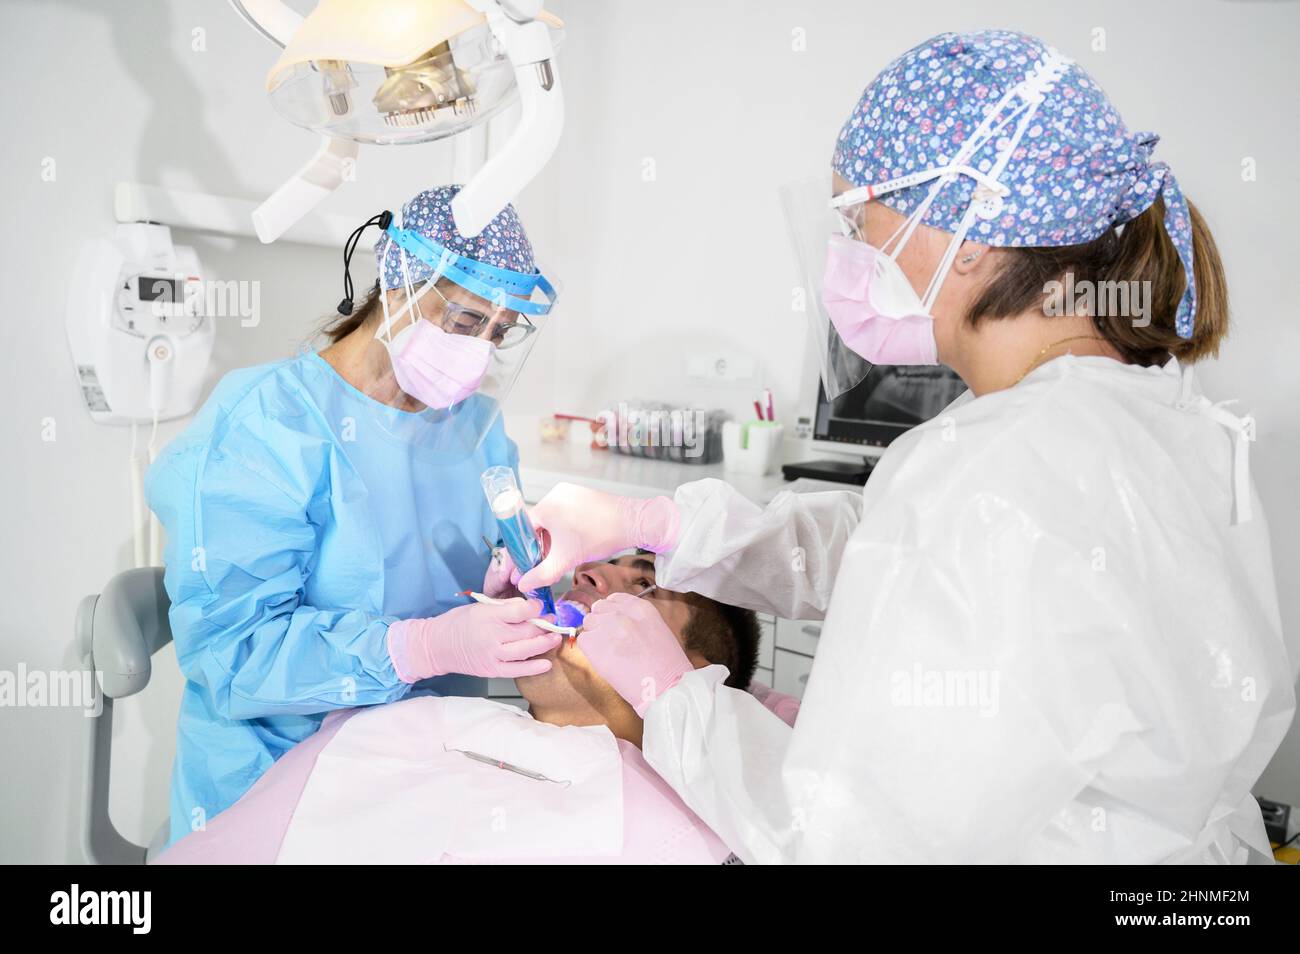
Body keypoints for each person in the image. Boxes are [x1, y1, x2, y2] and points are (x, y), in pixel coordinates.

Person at [512, 31, 1295, 863]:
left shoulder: (1001, 465)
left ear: (974, 233)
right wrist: (665, 525)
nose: (844, 245)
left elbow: (844, 839)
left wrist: (672, 698)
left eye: (857, 213)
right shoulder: (1151, 413)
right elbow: (909, 551)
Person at [146, 185, 562, 845]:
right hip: (276, 784)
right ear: (396, 283)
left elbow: (482, 559)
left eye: (499, 332)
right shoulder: (269, 425)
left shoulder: (476, 428)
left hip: (422, 772)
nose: (479, 352)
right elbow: (233, 655)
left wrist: (504, 575)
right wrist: (419, 647)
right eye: (463, 321)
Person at [152, 557, 777, 864]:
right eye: (605, 562)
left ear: (691, 676)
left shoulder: (697, 823)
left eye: (644, 588)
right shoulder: (398, 723)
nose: (591, 572)